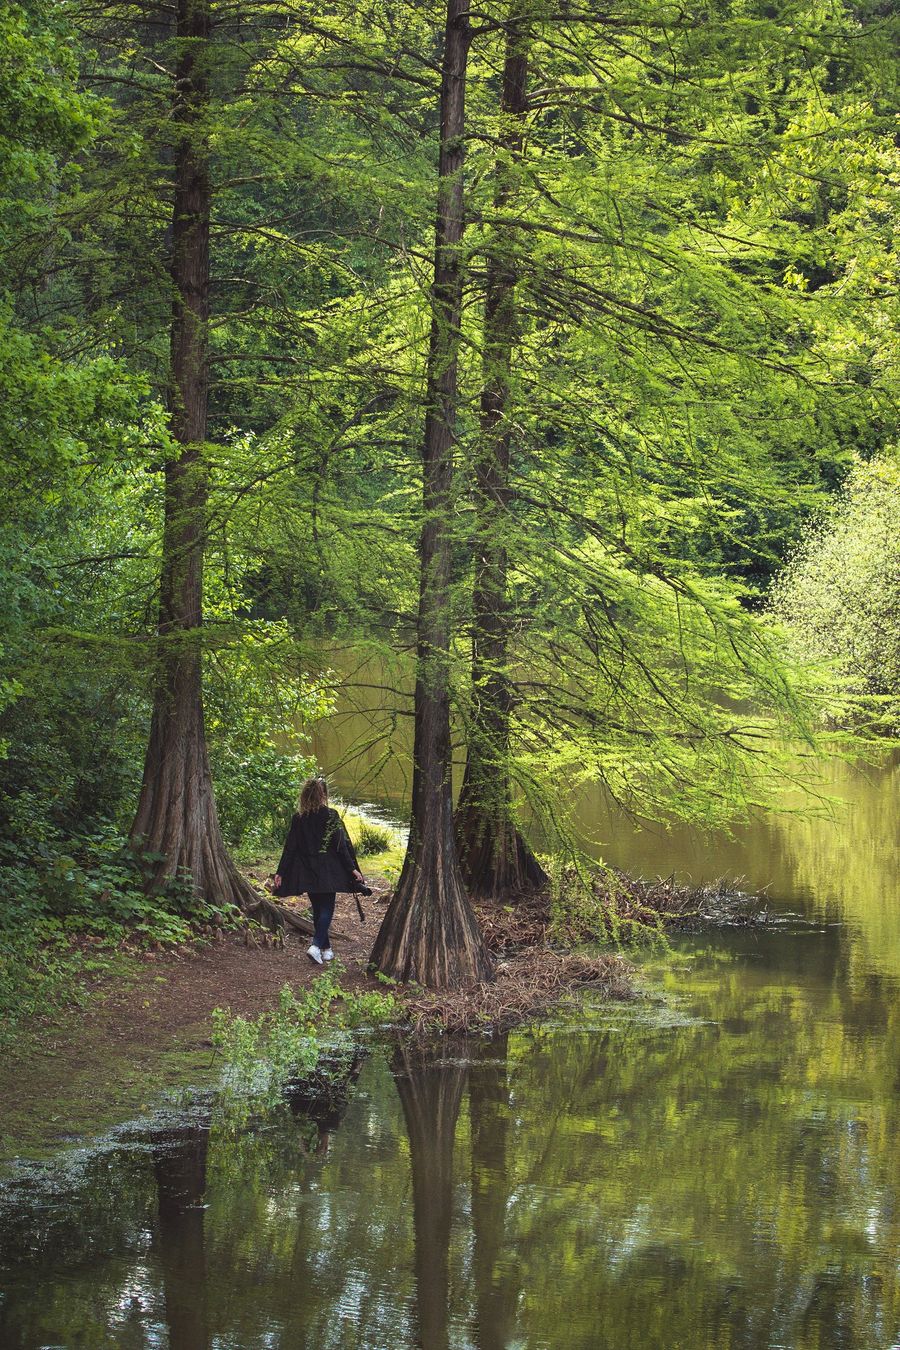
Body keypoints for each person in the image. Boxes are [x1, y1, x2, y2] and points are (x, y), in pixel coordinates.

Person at [273, 776, 368, 965]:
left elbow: (290, 847)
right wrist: (352, 869)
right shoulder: (331, 815)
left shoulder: (299, 818)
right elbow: (341, 846)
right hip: (328, 871)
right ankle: (316, 945)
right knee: (326, 909)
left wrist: (281, 871)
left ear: (305, 795)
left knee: (318, 909)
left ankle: (326, 950)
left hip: (307, 871)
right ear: (323, 794)